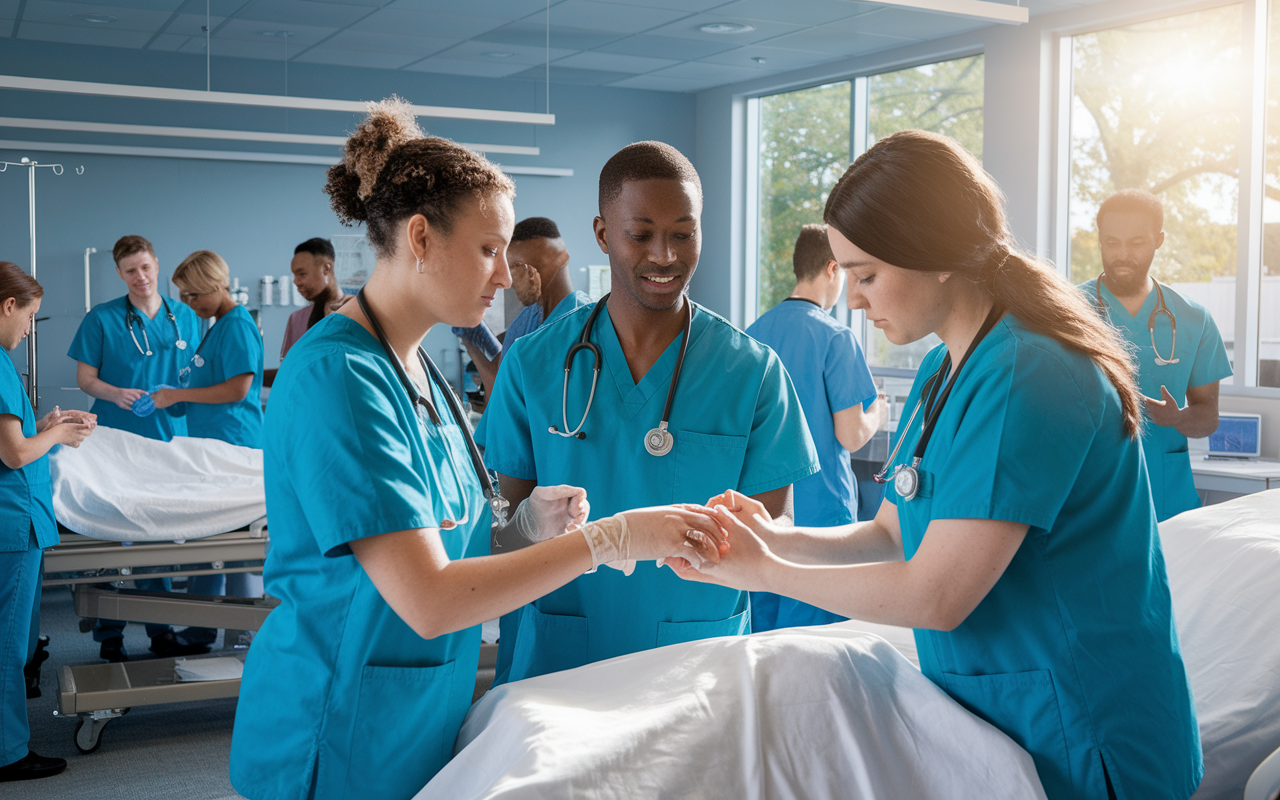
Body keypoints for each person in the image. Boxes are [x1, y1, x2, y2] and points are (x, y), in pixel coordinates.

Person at [670, 130, 1203, 800]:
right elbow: (890, 532)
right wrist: (777, 538)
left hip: (1088, 725)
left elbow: (936, 596)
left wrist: (765, 572)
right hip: (1007, 720)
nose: (855, 300)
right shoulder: (943, 369)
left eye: (867, 275)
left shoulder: (1027, 372)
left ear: (939, 255)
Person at [228, 100, 726, 800]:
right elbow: (428, 598)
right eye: (490, 250)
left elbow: (444, 535)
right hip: (335, 725)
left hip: (413, 717)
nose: (504, 276)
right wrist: (613, 540)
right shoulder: (338, 376)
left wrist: (518, 529)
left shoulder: (416, 366)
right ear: (422, 238)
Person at [481, 141, 819, 685]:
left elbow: (772, 536)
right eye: (640, 235)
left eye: (683, 234)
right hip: (557, 657)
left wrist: (755, 540)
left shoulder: (752, 373)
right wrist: (534, 530)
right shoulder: (533, 365)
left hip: (695, 663)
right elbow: (506, 538)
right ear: (602, 234)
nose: (664, 255)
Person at [68, 235, 203, 661]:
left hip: (168, 438)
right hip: (112, 440)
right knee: (111, 538)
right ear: (119, 273)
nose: (140, 277)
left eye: (145, 267)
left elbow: (198, 375)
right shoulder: (102, 318)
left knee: (155, 536)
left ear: (157, 265)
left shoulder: (187, 315)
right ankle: (110, 633)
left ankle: (161, 628)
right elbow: (85, 379)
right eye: (130, 271)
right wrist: (115, 394)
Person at [744, 223, 886, 630]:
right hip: (822, 516)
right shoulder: (836, 337)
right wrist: (879, 415)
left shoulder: (753, 335)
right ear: (831, 269)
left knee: (763, 640)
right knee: (816, 643)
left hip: (766, 513)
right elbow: (851, 434)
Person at [1079, 190, 1231, 521]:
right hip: (1089, 493)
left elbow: (1208, 415)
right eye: (1112, 242)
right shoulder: (1066, 312)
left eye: (1136, 243)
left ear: (1159, 240)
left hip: (1166, 497)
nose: (1122, 254)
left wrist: (1178, 419)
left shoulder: (1194, 318)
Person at [0, 261, 95, 782]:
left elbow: (11, 439)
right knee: (7, 645)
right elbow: (15, 456)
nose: (28, 330)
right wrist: (55, 438)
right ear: (8, 305)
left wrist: (47, 425)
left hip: (14, 520)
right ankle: (8, 754)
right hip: (10, 524)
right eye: (30, 317)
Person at [153, 250, 265, 648]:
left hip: (233, 448)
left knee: (232, 548)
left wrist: (179, 394)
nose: (189, 304)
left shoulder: (237, 326)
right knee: (208, 540)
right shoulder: (216, 327)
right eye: (183, 297)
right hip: (213, 449)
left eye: (192, 296)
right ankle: (202, 627)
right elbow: (208, 386)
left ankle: (245, 633)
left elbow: (238, 389)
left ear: (215, 288)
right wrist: (174, 398)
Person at [454, 217, 588, 404]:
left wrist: (471, 344)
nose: (508, 281)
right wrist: (472, 339)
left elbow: (506, 395)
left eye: (516, 267)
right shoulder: (525, 320)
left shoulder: (587, 325)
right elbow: (503, 387)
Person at [264, 238, 346, 387]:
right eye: (294, 275)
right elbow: (289, 371)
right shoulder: (296, 319)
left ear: (326, 269)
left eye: (301, 274)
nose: (295, 281)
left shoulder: (355, 312)